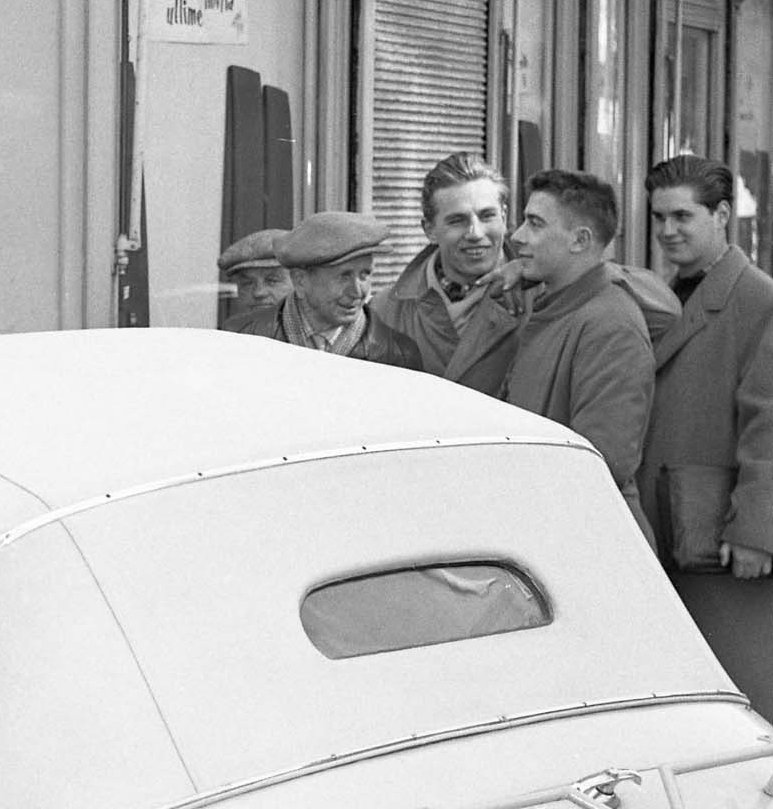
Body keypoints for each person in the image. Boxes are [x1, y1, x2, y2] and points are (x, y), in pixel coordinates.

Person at [634, 154, 773, 712]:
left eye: (682, 216)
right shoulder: (669, 294)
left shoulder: (759, 299)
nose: (667, 230)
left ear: (721, 216)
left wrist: (757, 530)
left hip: (722, 535)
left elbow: (769, 420)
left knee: (746, 683)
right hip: (680, 519)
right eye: (659, 217)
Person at [502, 170, 655, 532]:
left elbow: (601, 460)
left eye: (535, 224)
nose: (517, 236)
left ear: (580, 240)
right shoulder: (559, 307)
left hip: (587, 536)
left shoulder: (611, 326)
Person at [371, 153, 522, 391]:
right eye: (457, 220)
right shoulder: (385, 311)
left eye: (487, 216)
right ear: (429, 230)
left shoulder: (541, 297)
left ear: (504, 217)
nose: (475, 233)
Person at [229, 211, 421, 366]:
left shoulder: (399, 354)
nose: (357, 292)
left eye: (364, 275)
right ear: (300, 281)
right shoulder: (237, 338)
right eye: (344, 276)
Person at [217, 229, 292, 320]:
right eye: (247, 283)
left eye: (272, 281)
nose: (258, 293)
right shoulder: (229, 329)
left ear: (300, 283)